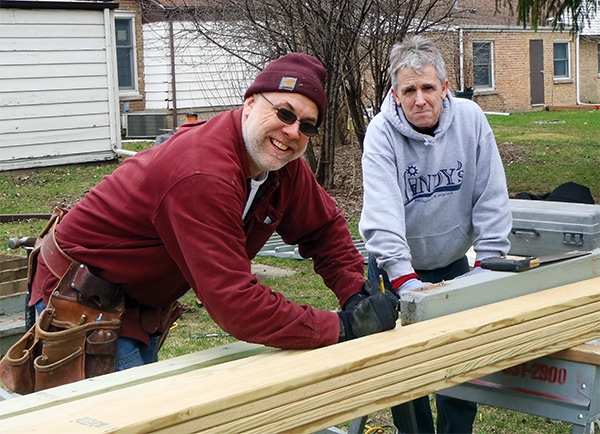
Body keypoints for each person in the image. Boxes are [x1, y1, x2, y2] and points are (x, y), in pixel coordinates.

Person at [8, 53, 398, 390]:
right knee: (120, 420)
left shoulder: (281, 166)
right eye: (283, 113)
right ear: (249, 104)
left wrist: (355, 294)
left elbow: (323, 229)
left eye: (307, 125)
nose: (292, 131)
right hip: (82, 302)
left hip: (137, 304)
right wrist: (340, 326)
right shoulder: (202, 173)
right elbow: (235, 302)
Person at [359, 36, 512, 434]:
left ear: (446, 88)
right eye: (409, 90)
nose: (420, 99)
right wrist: (405, 280)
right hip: (395, 268)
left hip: (453, 262)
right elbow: (383, 213)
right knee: (405, 373)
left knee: (461, 363)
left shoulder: (472, 120)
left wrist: (491, 265)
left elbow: (491, 194)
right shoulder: (381, 134)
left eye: (428, 87)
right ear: (395, 94)